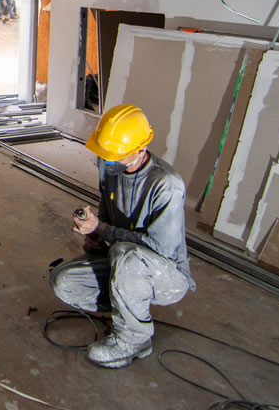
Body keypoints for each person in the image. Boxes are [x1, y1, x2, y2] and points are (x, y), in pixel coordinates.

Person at [49, 104, 193, 368]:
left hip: (165, 274)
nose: (108, 159)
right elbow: (107, 204)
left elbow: (159, 248)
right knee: (64, 281)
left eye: (116, 154)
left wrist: (101, 230)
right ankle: (127, 307)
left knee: (123, 255)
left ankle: (134, 339)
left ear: (140, 149)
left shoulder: (166, 185)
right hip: (126, 261)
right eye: (106, 154)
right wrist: (97, 235)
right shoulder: (110, 164)